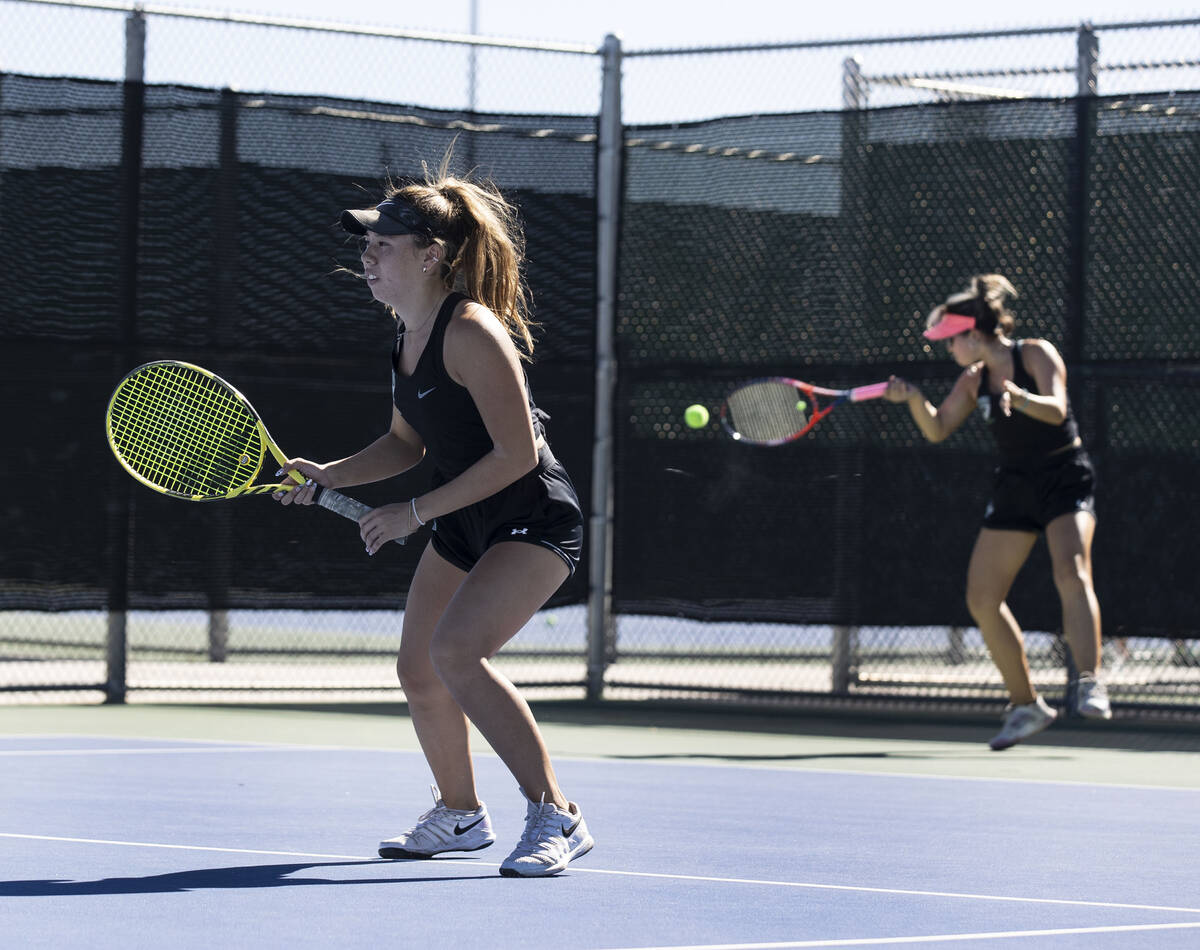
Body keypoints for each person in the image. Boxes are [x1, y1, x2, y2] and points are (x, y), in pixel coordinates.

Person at [273, 160, 592, 876]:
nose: (368, 256)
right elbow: (404, 443)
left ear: (431, 254)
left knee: (456, 655)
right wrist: (327, 474)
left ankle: (556, 815)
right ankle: (459, 813)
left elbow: (515, 454)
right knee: (418, 668)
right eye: (366, 244)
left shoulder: (472, 332)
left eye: (383, 245)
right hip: (463, 518)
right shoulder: (406, 336)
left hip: (531, 516)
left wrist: (412, 512)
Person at [883, 274, 1111, 751]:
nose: (948, 351)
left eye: (951, 342)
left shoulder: (1036, 354)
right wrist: (912, 402)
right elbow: (938, 428)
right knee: (982, 599)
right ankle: (1025, 704)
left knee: (1071, 571)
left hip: (1063, 476)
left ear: (973, 334)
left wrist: (1020, 397)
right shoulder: (972, 380)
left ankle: (1089, 681)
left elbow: (1057, 409)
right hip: (1015, 486)